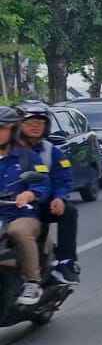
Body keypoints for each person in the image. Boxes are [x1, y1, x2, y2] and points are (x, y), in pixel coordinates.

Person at [14, 101, 80, 284]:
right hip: (9, 205)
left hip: (39, 205)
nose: (35, 126)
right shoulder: (8, 150)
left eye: (40, 122)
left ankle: (66, 262)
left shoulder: (52, 151)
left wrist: (60, 198)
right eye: (30, 122)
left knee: (69, 211)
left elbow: (62, 179)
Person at [0, 106, 52, 307]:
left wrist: (30, 193)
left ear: (13, 130)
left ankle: (32, 282)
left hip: (20, 214)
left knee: (19, 231)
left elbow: (42, 182)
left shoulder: (27, 156)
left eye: (2, 128)